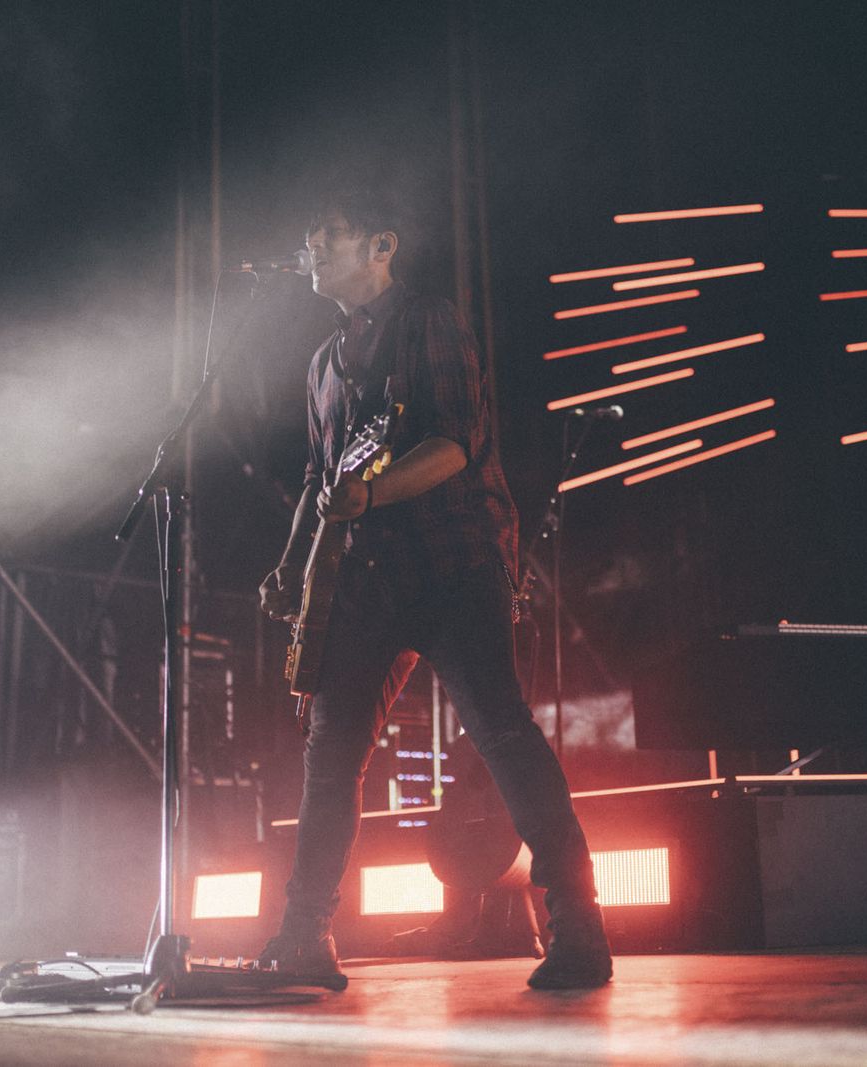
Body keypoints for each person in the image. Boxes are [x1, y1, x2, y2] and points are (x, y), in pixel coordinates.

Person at [255, 190, 611, 990]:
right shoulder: (323, 363)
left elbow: (454, 444)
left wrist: (373, 497)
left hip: (455, 563)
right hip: (368, 579)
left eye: (330, 234)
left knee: (503, 734)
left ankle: (579, 931)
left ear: (382, 245)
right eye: (310, 237)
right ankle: (304, 934)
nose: (312, 246)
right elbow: (323, 480)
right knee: (329, 755)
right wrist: (291, 564)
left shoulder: (432, 324)